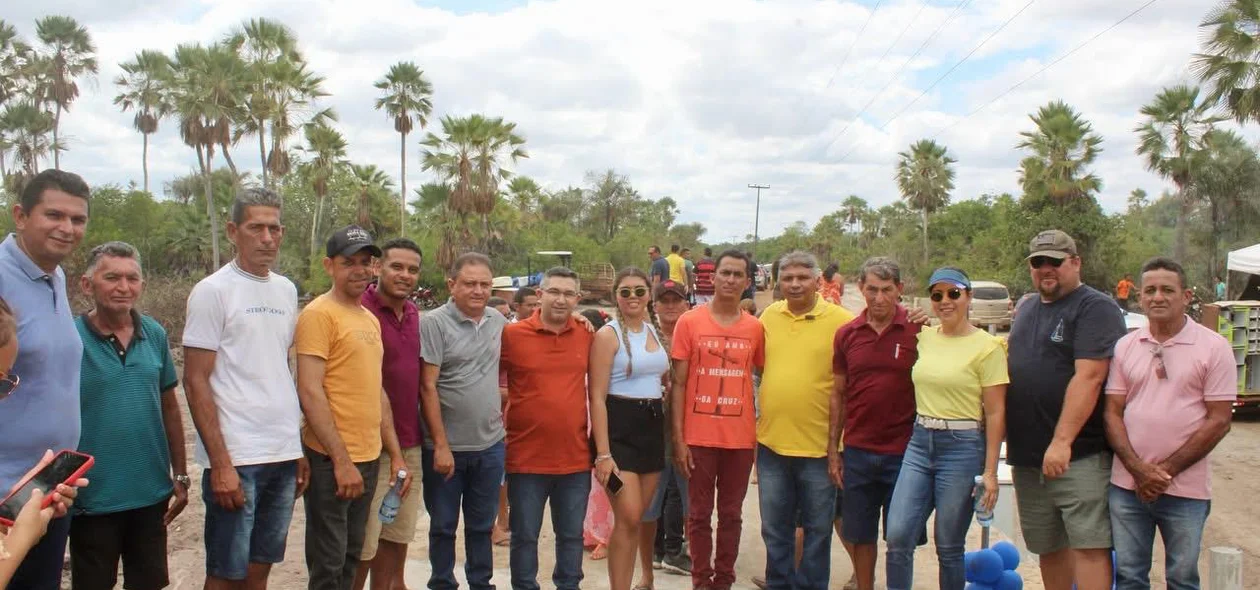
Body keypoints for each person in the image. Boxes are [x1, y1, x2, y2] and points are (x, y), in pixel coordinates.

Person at [184, 187, 307, 590]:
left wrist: (297, 445)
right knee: (225, 570)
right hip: (237, 455)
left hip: (281, 451)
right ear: (234, 230)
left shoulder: (287, 290)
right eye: (256, 228)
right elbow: (196, 379)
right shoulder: (212, 291)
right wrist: (220, 463)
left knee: (261, 565)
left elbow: (278, 367)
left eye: (274, 228)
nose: (267, 238)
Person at [1104, 257, 1236, 590]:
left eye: (1167, 290)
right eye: (1150, 290)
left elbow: (1219, 420)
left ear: (1187, 296)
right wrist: (1138, 470)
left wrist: (1163, 473)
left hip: (1186, 490)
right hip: (1127, 487)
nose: (1157, 297)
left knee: (1181, 578)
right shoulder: (1126, 346)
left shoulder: (1214, 347)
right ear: (1139, 297)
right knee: (1130, 576)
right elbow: (1112, 412)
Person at [1007, 230, 1127, 590]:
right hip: (1029, 457)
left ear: (1075, 262)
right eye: (1038, 262)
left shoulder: (1096, 307)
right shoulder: (1027, 307)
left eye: (1055, 262)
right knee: (1048, 547)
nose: (1046, 269)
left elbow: (1090, 377)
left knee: (1089, 546)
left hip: (1078, 455)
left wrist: (1062, 441)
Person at [297, 225, 410, 590]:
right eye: (350, 262)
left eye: (366, 262)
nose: (360, 270)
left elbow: (375, 390)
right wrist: (341, 461)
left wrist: (394, 454)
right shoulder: (318, 314)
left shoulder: (368, 319)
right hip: (332, 459)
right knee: (328, 562)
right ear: (329, 265)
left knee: (351, 555)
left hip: (368, 456)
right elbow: (310, 391)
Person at [71, 242, 189, 590]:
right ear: (87, 284)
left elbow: (170, 406)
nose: (123, 287)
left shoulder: (153, 334)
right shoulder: (70, 339)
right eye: (112, 278)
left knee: (149, 583)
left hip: (150, 494)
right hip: (93, 498)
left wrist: (179, 474)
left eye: (132, 278)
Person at [885, 267, 1009, 590]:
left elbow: (995, 413)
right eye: (937, 295)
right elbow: (885, 311)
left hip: (962, 446)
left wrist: (991, 472)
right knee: (897, 534)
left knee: (949, 544)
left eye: (953, 293)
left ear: (968, 296)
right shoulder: (923, 336)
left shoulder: (989, 346)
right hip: (920, 441)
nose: (945, 301)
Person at [0, 169, 90, 589]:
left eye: (77, 219)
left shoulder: (55, 275)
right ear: (20, 215)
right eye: (54, 215)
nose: (67, 228)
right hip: (5, 496)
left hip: (51, 485)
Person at [757, 252, 856, 590]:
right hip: (771, 445)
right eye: (788, 278)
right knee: (774, 529)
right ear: (779, 283)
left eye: (802, 277)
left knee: (818, 531)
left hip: (820, 450)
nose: (795, 284)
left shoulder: (842, 322)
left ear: (817, 281)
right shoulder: (769, 316)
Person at [672, 250, 766, 590]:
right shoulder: (689, 322)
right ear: (713, 277)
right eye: (724, 272)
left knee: (731, 515)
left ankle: (723, 580)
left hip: (739, 440)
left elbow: (760, 377)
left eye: (737, 274)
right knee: (697, 516)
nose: (729, 279)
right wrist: (679, 439)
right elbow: (679, 384)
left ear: (747, 281)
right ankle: (701, 580)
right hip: (698, 438)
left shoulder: (756, 328)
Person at [829, 257, 922, 590]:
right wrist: (833, 451)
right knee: (860, 535)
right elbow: (838, 394)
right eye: (872, 289)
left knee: (900, 538)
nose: (879, 298)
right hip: (858, 451)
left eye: (886, 290)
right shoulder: (847, 335)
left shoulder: (919, 329)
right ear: (861, 289)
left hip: (907, 454)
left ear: (899, 289)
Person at [500, 267, 595, 590]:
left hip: (575, 459)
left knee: (571, 537)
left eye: (569, 294)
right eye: (554, 291)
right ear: (539, 295)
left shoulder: (588, 334)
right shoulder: (512, 336)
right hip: (525, 459)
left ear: (578, 300)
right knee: (524, 537)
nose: (561, 299)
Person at [420, 252, 508, 590]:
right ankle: (442, 582)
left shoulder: (497, 322)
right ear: (451, 284)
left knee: (481, 524)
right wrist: (440, 445)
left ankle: (480, 583)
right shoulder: (433, 323)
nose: (478, 290)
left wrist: (586, 321)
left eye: (485, 284)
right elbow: (427, 386)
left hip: (489, 445)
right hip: (446, 449)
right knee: (442, 525)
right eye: (469, 283)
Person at [591, 268, 672, 590]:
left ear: (649, 294)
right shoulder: (607, 335)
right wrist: (602, 454)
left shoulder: (655, 332)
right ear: (616, 297)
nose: (633, 298)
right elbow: (596, 397)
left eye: (639, 291)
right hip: (617, 433)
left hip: (652, 430)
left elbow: (662, 377)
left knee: (636, 519)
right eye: (625, 292)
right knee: (628, 516)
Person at [354, 239, 424, 590]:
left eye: (412, 269)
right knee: (364, 545)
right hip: (371, 447)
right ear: (378, 267)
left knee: (396, 537)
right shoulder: (359, 310)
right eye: (397, 266)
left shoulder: (413, 314)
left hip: (410, 443)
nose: (405, 275)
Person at [636, 281, 694, 590]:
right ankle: (647, 575)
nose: (670, 305)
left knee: (693, 508)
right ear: (654, 305)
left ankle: (688, 556)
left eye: (677, 300)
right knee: (648, 510)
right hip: (652, 437)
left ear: (686, 303)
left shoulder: (696, 334)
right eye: (664, 300)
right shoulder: (641, 337)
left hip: (689, 435)